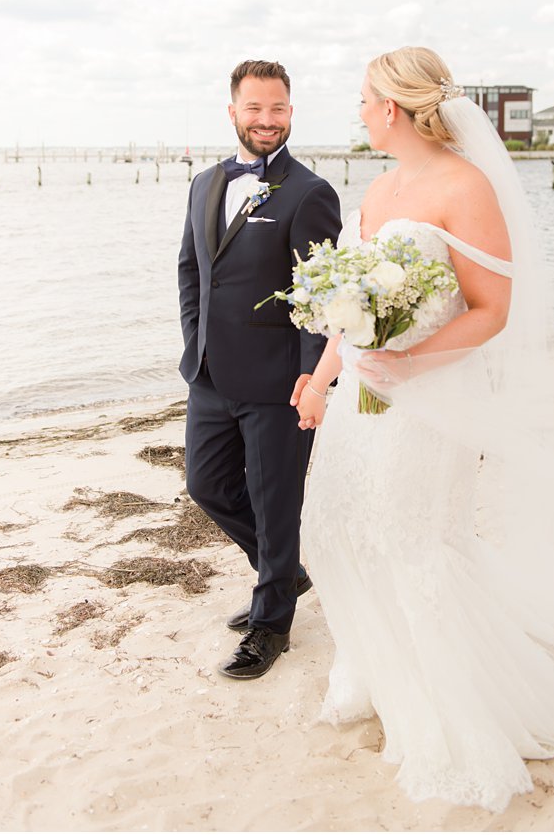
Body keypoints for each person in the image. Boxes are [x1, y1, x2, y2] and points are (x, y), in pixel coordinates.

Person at [295, 46, 554, 811]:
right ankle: (382, 670)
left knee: (415, 543)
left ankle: (451, 709)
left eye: (363, 100)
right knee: (339, 528)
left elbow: (492, 309)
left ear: (392, 108)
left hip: (429, 402)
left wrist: (411, 365)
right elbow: (348, 303)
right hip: (361, 405)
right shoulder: (379, 186)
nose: (359, 113)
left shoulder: (465, 185)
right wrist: (324, 373)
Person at [176, 60, 342, 680]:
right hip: (209, 376)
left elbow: (320, 297)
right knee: (208, 487)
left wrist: (311, 379)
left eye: (277, 110)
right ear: (233, 112)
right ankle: (286, 573)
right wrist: (195, 341)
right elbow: (192, 270)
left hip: (278, 381)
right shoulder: (203, 184)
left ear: (291, 113)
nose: (266, 121)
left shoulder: (310, 193)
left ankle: (270, 626)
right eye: (254, 109)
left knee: (277, 505)